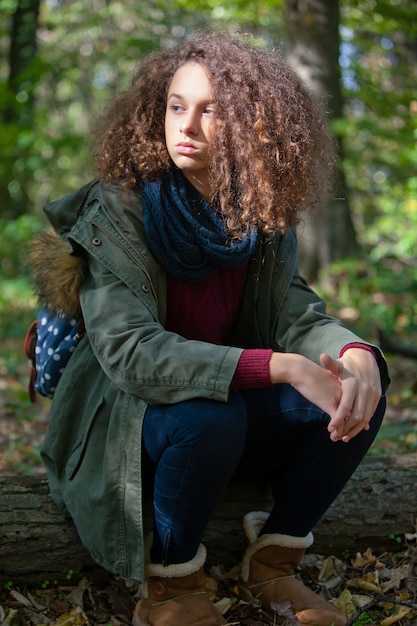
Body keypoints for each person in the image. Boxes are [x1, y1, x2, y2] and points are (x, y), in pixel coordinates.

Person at [30, 31, 389, 626]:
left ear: (253, 127)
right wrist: (280, 366)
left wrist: (352, 354)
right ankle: (171, 586)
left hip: (215, 420)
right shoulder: (118, 210)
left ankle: (273, 563)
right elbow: (132, 354)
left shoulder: (258, 214)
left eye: (210, 110)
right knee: (209, 414)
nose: (186, 126)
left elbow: (294, 312)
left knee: (360, 389)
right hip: (127, 426)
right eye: (176, 105)